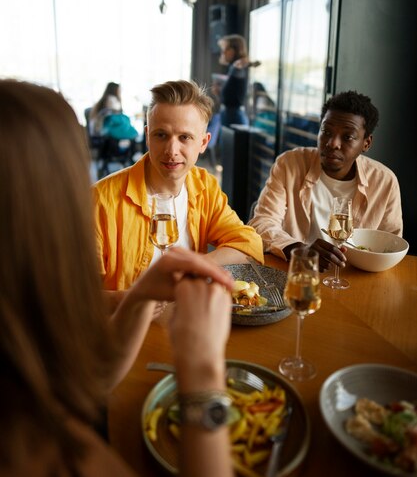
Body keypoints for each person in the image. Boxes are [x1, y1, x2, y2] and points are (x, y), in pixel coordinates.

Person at [0, 79, 235, 477]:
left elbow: (89, 385)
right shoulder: (29, 444)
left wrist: (142, 295)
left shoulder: (24, 352)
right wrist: (202, 376)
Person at [94, 79, 264, 292]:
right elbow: (74, 294)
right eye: (161, 135)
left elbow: (249, 244)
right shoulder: (100, 200)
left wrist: (191, 266)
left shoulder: (204, 187)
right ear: (148, 136)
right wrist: (131, 300)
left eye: (185, 137)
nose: (172, 150)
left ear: (203, 143)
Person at [249, 90, 403, 272]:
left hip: (354, 277)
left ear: (366, 143)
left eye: (347, 137)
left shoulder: (384, 181)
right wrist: (298, 249)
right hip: (296, 271)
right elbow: (262, 222)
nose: (332, 143)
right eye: (326, 131)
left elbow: (390, 246)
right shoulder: (290, 164)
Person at [217, 33, 260, 127]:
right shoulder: (232, 69)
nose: (222, 53)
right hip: (228, 115)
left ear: (232, 51)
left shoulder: (237, 67)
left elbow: (241, 64)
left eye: (224, 50)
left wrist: (246, 63)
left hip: (234, 117)